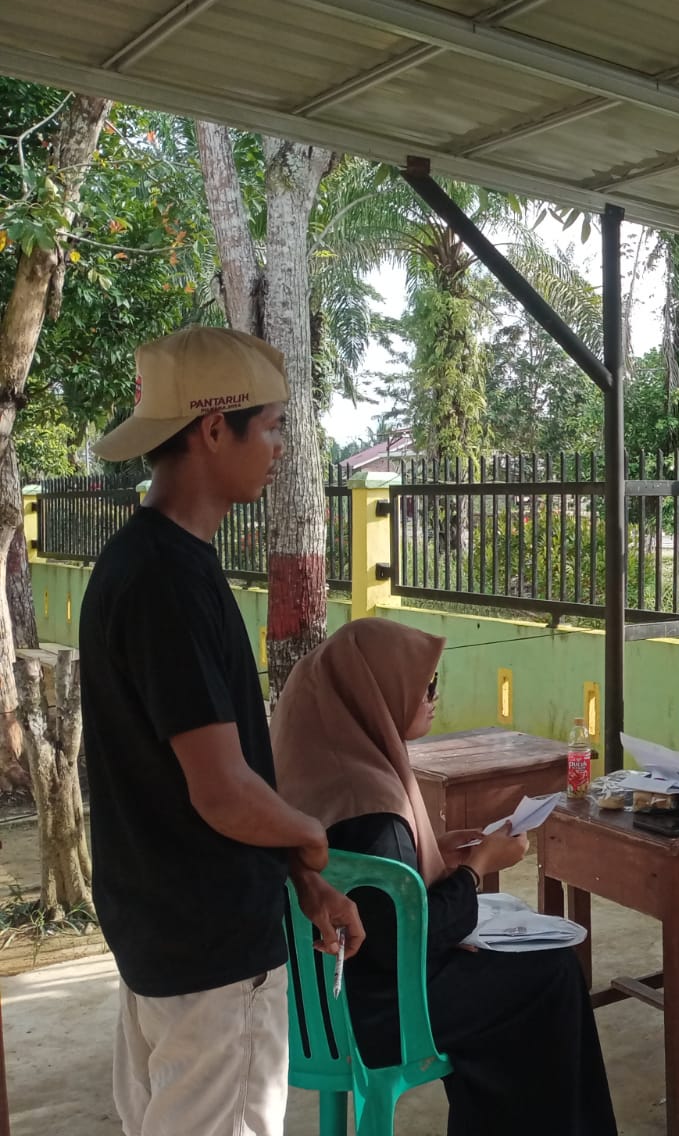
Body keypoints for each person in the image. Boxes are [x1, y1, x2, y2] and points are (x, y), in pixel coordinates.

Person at [80, 326, 365, 1136]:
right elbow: (223, 790)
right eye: (271, 426)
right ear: (213, 429)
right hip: (207, 954)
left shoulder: (145, 563)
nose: (279, 448)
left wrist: (302, 882)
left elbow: (192, 787)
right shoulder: (167, 581)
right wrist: (311, 837)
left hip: (160, 939)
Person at [272, 618, 618, 1136]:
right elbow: (410, 939)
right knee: (553, 975)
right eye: (424, 686)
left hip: (316, 1006)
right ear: (376, 692)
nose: (434, 697)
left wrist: (437, 856)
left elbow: (384, 890)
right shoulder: (368, 802)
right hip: (381, 1013)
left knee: (518, 975)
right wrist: (479, 870)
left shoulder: (314, 766)